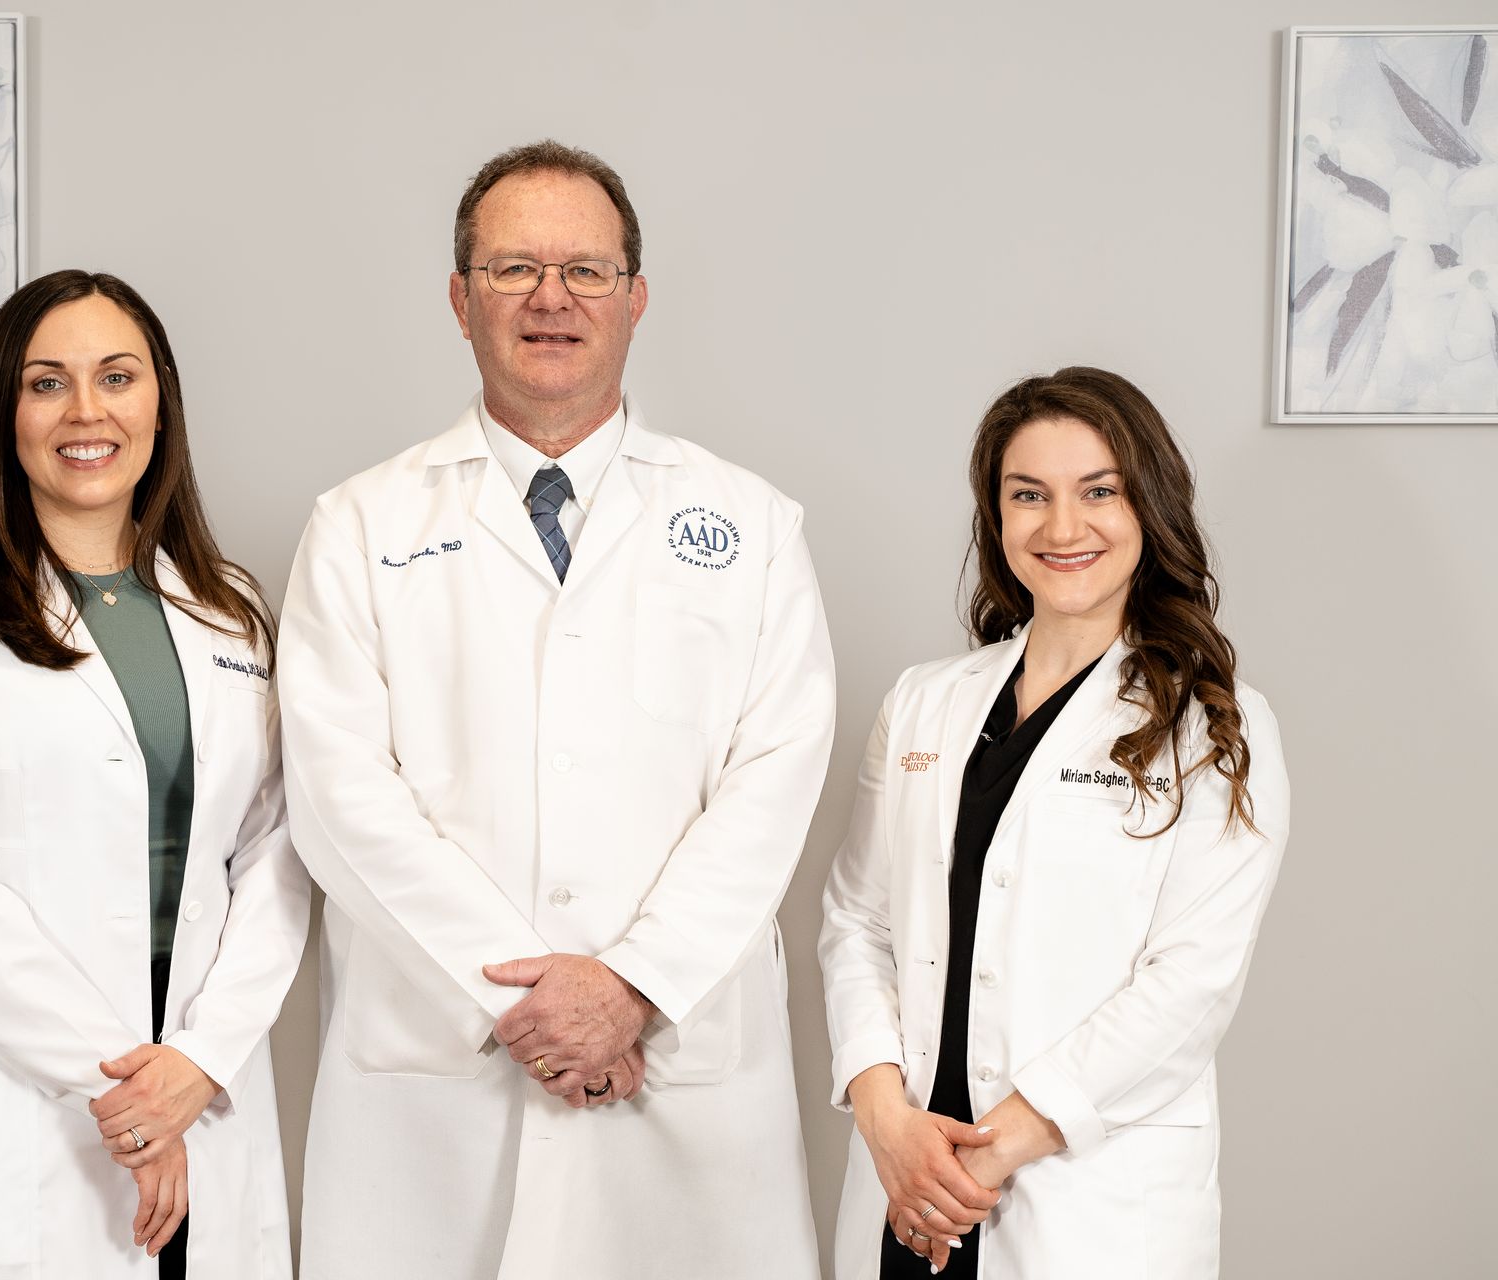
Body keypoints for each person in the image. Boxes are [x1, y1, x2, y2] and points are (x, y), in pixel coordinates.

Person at [277, 140, 836, 1279]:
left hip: (677, 1061)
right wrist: (531, 999)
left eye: (585, 271)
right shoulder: (359, 522)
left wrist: (629, 987)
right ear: (457, 298)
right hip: (441, 1078)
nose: (549, 298)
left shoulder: (751, 524)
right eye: (511, 268)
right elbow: (339, 796)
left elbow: (773, 781)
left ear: (636, 299)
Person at [0, 269, 310, 1279]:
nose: (87, 411)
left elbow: (277, 852)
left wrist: (197, 1061)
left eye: (118, 376)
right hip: (10, 1099)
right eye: (47, 382)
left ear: (160, 401)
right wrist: (127, 1093)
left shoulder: (231, 612)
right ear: (1, 412)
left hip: (200, 1082)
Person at [818, 366, 1290, 1279]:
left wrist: (1000, 1146)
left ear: (1150, 507)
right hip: (908, 1179)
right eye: (1027, 495)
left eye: (1098, 492)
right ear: (997, 518)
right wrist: (884, 1114)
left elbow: (1189, 984)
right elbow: (856, 922)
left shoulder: (1214, 726)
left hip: (1081, 1200)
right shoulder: (923, 703)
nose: (1062, 527)